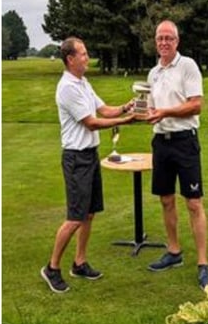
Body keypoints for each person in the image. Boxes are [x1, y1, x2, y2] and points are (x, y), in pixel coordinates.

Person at [40, 37, 136, 293]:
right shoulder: (67, 88)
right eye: (83, 54)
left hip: (90, 155)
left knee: (89, 213)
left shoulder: (83, 82)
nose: (87, 57)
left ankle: (79, 263)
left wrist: (127, 107)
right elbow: (91, 122)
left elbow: (104, 110)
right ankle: (52, 268)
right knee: (74, 218)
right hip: (76, 158)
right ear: (70, 59)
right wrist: (127, 121)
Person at [144, 20, 208, 289]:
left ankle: (203, 263)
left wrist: (164, 112)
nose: (163, 42)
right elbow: (151, 108)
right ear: (155, 41)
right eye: (160, 38)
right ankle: (174, 252)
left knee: (193, 202)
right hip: (161, 141)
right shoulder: (153, 73)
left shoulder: (188, 66)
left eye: (168, 38)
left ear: (177, 41)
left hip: (184, 142)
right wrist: (143, 113)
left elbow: (196, 106)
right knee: (166, 199)